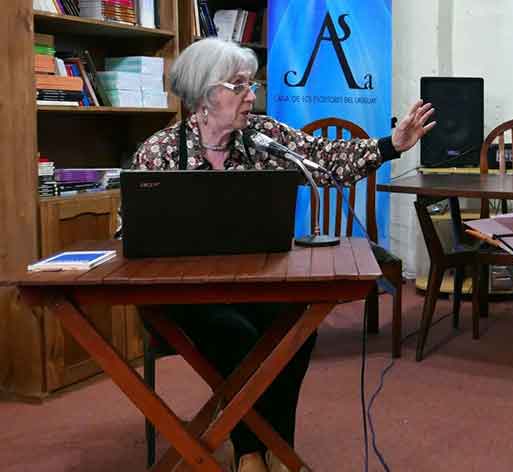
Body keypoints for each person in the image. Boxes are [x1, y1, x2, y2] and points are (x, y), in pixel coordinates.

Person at [131, 38, 434, 472]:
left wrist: (391, 144)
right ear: (204, 94)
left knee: (297, 326)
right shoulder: (158, 153)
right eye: (238, 85)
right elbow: (130, 235)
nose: (251, 95)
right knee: (238, 337)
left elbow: (325, 160)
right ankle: (251, 450)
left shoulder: (264, 138)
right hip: (183, 296)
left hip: (255, 284)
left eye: (250, 83)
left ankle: (273, 446)